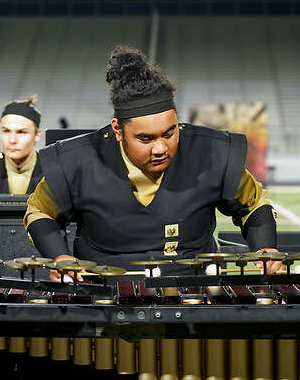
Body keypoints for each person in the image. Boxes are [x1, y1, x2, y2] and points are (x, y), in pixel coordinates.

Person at [24, 45, 279, 280]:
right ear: (118, 130)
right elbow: (40, 211)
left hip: (194, 290)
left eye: (169, 133)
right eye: (145, 139)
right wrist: (59, 256)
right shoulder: (78, 161)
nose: (160, 148)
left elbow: (253, 203)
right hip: (103, 292)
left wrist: (265, 247)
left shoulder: (211, 152)